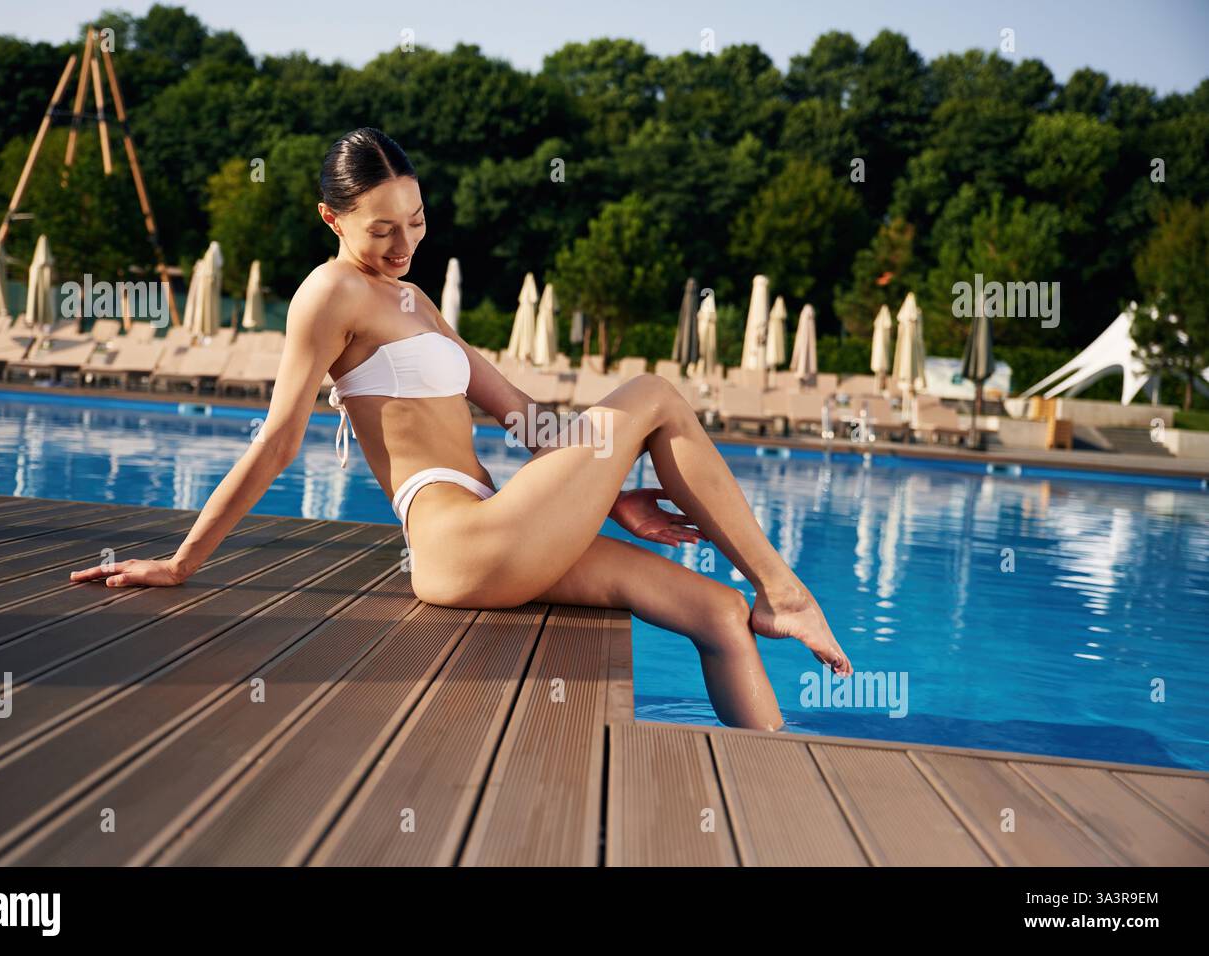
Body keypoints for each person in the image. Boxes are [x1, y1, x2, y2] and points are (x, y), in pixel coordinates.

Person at [70, 127, 851, 731]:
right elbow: (277, 443)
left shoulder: (415, 301)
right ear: (331, 218)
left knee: (718, 613)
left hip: (500, 527)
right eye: (382, 229)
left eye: (415, 221)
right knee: (652, 392)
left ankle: (771, 778)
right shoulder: (328, 294)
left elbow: (527, 418)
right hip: (460, 544)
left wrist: (608, 494)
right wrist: (182, 562)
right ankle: (785, 592)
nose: (404, 245)